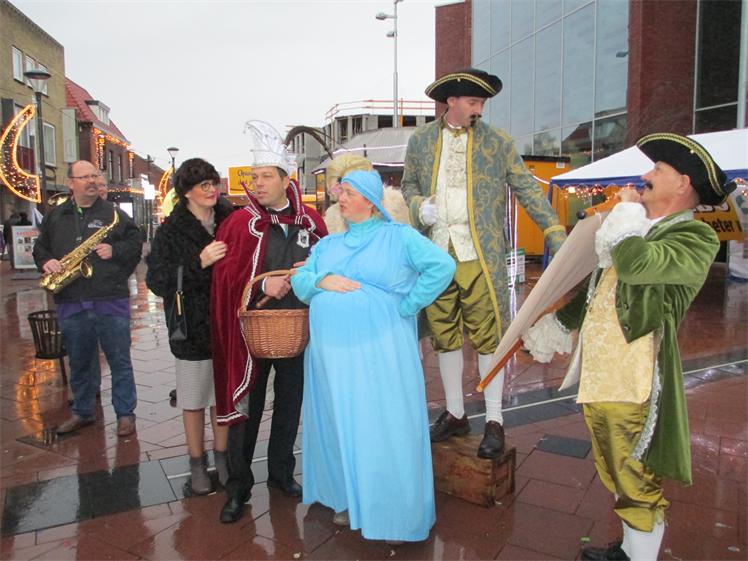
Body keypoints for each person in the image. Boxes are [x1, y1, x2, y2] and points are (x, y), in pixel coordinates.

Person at [523, 133, 736, 561]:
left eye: (658, 169)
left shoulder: (695, 237)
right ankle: (628, 549)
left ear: (683, 183)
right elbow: (600, 289)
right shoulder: (636, 228)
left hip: (635, 378)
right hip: (602, 373)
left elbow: (636, 266)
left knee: (636, 478)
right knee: (614, 469)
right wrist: (558, 325)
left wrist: (623, 214)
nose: (645, 175)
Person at [401, 68, 567, 458]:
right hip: (436, 255)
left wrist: (553, 229)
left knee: (489, 336)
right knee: (444, 335)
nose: (479, 110)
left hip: (480, 255)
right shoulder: (421, 140)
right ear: (452, 101)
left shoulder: (498, 142)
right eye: (473, 102)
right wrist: (418, 206)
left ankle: (494, 419)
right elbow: (409, 184)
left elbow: (526, 188)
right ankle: (455, 413)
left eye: (481, 103)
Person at [291, 170, 455, 543]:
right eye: (340, 193)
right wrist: (320, 281)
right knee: (340, 423)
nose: (341, 199)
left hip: (381, 353)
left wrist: (409, 305)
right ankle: (349, 498)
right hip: (331, 358)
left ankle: (395, 514)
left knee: (383, 425)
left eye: (349, 193)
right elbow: (300, 282)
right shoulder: (328, 245)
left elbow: (442, 267)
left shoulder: (399, 237)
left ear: (370, 199)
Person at [211, 121, 328, 523]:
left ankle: (281, 474)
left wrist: (311, 272)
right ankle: (238, 488)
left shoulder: (310, 222)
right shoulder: (238, 223)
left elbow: (329, 266)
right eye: (254, 177)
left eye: (265, 177)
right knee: (248, 410)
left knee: (290, 406)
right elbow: (224, 278)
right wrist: (262, 284)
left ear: (285, 179)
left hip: (297, 331)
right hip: (252, 336)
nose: (257, 184)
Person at [33, 160, 142, 436]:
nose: (92, 181)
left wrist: (115, 251)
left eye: (94, 175)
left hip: (110, 298)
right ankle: (83, 412)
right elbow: (40, 248)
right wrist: (46, 261)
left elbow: (135, 244)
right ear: (71, 183)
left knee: (119, 360)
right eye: (85, 177)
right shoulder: (56, 216)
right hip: (71, 300)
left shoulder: (114, 214)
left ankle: (125, 414)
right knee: (80, 361)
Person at [146, 158, 233, 495]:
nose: (212, 190)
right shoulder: (171, 230)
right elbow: (157, 280)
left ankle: (222, 458)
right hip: (192, 325)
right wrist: (200, 262)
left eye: (214, 183)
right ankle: (197, 463)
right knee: (194, 398)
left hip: (227, 322)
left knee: (223, 398)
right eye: (203, 185)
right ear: (186, 192)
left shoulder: (229, 219)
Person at [322, 153, 410, 233]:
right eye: (335, 191)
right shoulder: (332, 220)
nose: (341, 198)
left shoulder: (399, 209)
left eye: (349, 192)